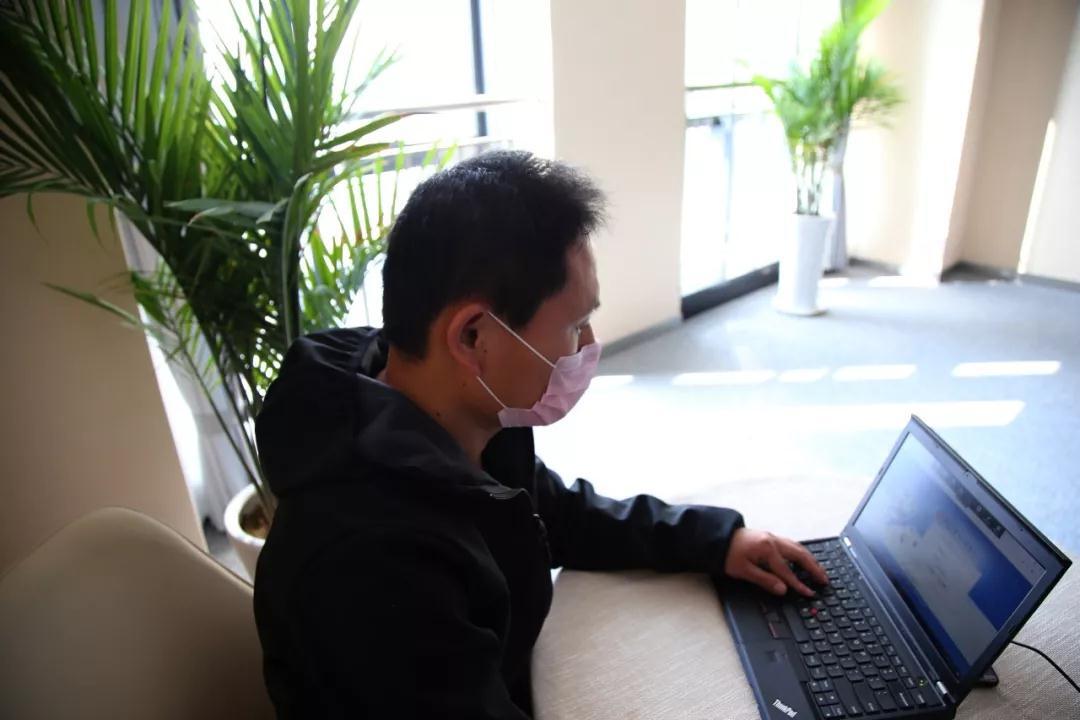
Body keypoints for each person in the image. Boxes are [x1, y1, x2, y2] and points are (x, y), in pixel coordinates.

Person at [253, 150, 828, 718]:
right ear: (473, 337)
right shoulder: (371, 565)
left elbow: (555, 514)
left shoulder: (461, 415)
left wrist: (717, 541)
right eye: (576, 325)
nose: (589, 347)